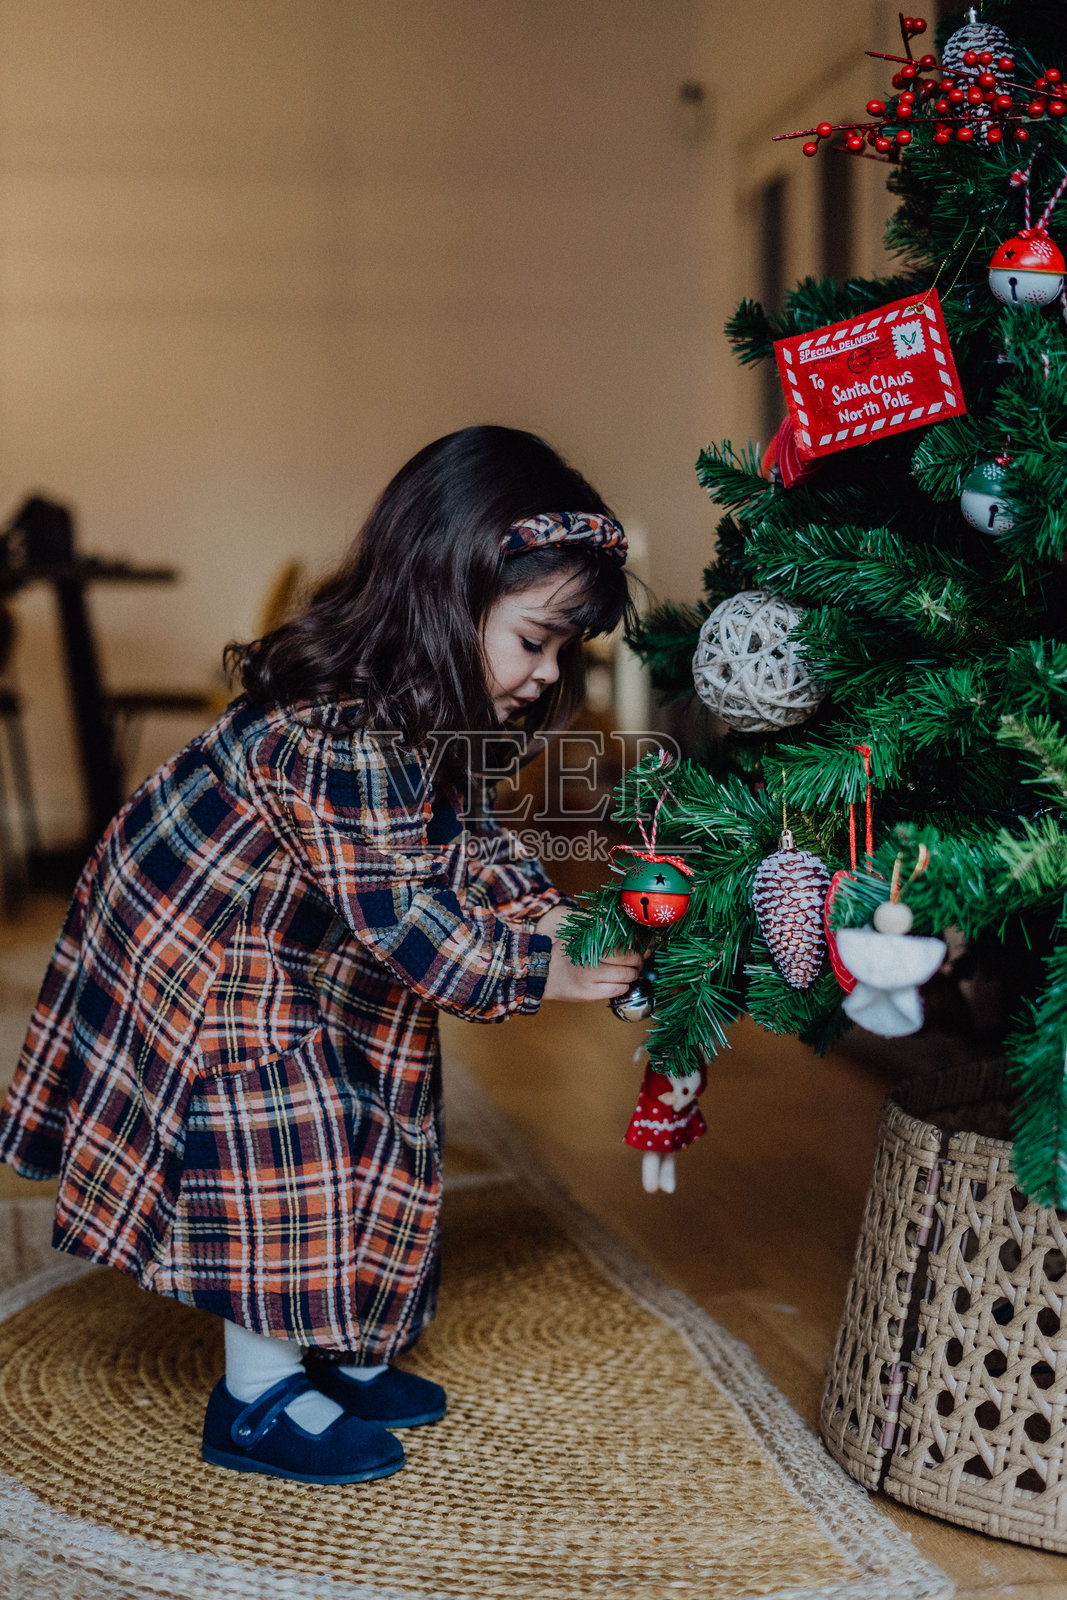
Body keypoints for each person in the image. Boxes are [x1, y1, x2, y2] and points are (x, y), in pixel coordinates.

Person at [0, 424, 643, 1486]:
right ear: (442, 594)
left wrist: (553, 921)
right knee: (283, 1137)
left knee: (381, 1095)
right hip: (209, 951)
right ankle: (255, 1398)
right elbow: (407, 920)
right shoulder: (334, 732)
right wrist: (542, 970)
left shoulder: (430, 720)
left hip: (308, 937)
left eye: (561, 652)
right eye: (534, 639)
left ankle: (337, 1339)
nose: (544, 674)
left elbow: (472, 850)